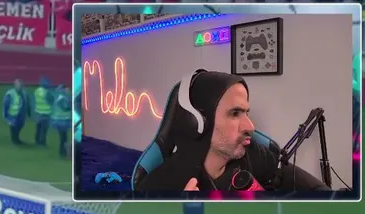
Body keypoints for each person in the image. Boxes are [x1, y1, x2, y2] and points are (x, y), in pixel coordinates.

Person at [137, 71, 331, 194]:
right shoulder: (159, 187)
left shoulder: (252, 152)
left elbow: (301, 182)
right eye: (234, 113)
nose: (250, 127)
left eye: (246, 112)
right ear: (196, 123)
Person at [3, 79, 28, 145]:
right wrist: (6, 115)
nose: (20, 87)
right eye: (18, 86)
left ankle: (16, 138)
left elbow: (26, 103)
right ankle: (14, 140)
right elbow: (6, 104)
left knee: (19, 126)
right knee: (13, 127)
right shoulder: (10, 94)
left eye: (21, 86)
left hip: (21, 115)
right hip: (12, 115)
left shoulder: (24, 93)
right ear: (15, 86)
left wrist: (27, 112)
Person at [50, 84, 71, 158]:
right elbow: (66, 108)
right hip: (61, 121)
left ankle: (63, 152)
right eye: (66, 89)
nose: (68, 90)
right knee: (63, 138)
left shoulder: (62, 97)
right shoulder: (61, 98)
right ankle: (62, 152)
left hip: (61, 121)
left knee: (63, 137)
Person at [33, 77, 52, 146]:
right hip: (45, 113)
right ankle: (42, 142)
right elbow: (51, 101)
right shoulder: (47, 92)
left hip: (38, 112)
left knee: (38, 128)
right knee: (44, 130)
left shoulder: (36, 91)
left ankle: (37, 141)